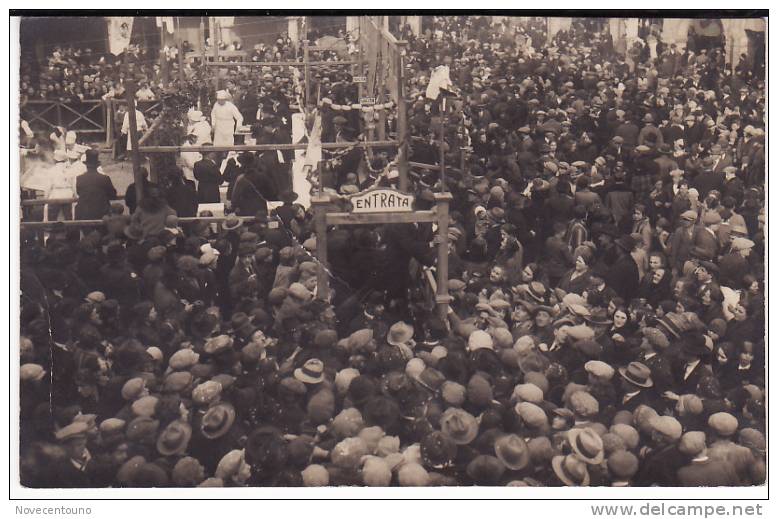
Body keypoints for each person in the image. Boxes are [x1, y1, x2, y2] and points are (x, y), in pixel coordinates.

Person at [74, 149, 116, 220]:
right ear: (97, 165)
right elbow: (113, 194)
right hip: (102, 213)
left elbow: (78, 192)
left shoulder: (80, 178)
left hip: (85, 214)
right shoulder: (104, 178)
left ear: (86, 165)